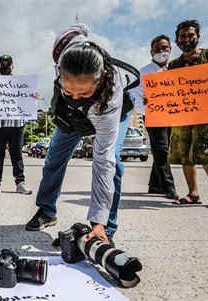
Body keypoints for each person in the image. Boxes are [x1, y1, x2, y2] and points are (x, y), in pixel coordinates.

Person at [25, 24, 131, 243]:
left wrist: (97, 220)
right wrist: (72, 99)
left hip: (106, 112)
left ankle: (105, 228)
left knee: (114, 164)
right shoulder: (64, 43)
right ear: (59, 72)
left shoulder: (111, 95)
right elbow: (79, 27)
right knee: (54, 159)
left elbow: (103, 161)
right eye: (68, 90)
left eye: (83, 92)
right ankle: (46, 211)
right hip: (70, 118)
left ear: (100, 77)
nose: (75, 97)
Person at [167, 19, 208, 207]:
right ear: (177, 40)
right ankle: (193, 193)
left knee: (203, 149)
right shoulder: (173, 65)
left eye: (190, 35)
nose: (187, 38)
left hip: (205, 114)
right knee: (184, 153)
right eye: (183, 36)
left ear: (198, 36)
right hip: (182, 116)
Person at [131, 35, 178, 200]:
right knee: (162, 150)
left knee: (161, 151)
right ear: (151, 52)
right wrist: (149, 108)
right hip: (153, 116)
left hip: (173, 116)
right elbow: (137, 98)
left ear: (170, 49)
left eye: (164, 47)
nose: (161, 51)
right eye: (157, 49)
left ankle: (154, 185)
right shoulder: (143, 72)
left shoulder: (176, 69)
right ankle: (168, 187)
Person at [0, 54, 32, 195]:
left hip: (16, 124)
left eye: (8, 63)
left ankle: (20, 183)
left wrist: (32, 96)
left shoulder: (21, 83)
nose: (5, 65)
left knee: (17, 154)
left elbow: (26, 101)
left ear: (12, 66)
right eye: (2, 63)